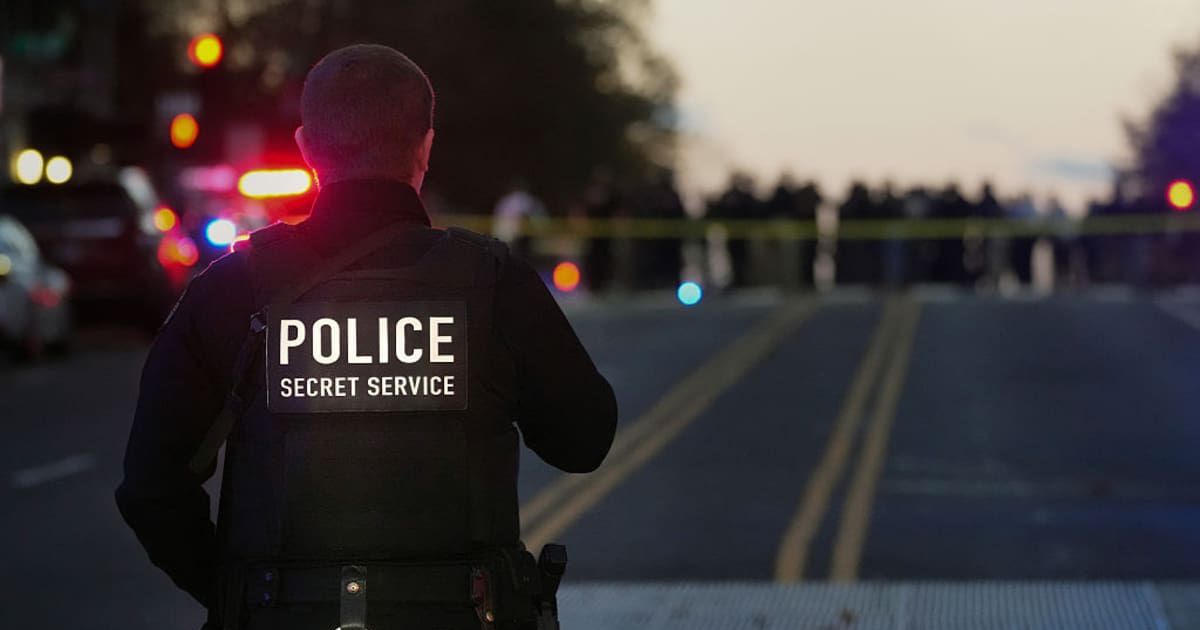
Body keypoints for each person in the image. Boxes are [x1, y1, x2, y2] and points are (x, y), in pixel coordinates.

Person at [115, 44, 617, 630]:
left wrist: (241, 598)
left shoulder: (230, 288)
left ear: (307, 149)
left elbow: (152, 488)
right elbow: (583, 442)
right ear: (425, 144)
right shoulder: (492, 280)